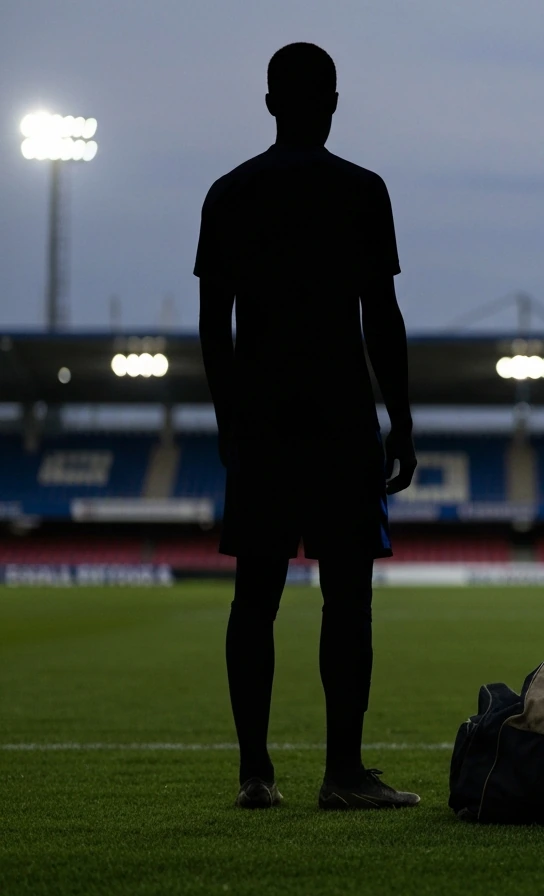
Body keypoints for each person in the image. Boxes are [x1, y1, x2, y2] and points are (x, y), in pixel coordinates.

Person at [196, 42, 419, 810]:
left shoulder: (229, 193)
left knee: (253, 597)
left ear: (269, 104)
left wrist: (230, 422)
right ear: (332, 102)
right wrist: (403, 418)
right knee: (346, 598)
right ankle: (343, 773)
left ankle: (255, 773)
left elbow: (211, 325)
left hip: (261, 418)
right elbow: (380, 316)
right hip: (339, 420)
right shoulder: (363, 191)